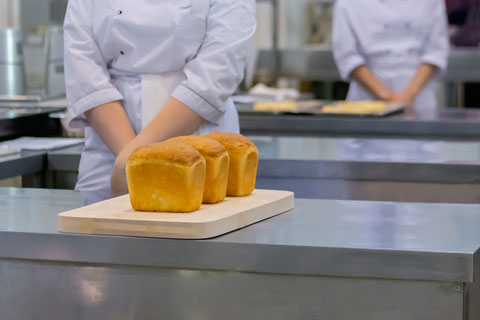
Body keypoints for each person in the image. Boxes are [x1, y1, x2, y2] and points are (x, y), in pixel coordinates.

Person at [63, 0, 256, 203]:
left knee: (197, 222)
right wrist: (127, 161)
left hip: (196, 137)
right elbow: (84, 68)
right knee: (99, 228)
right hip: (110, 145)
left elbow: (216, 73)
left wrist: (132, 159)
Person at [332, 0, 449, 112]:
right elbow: (347, 57)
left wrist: (407, 97)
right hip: (366, 100)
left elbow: (435, 51)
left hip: (419, 100)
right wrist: (389, 99)